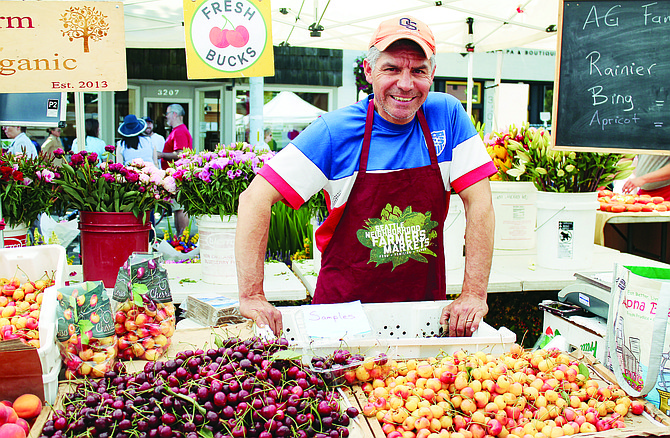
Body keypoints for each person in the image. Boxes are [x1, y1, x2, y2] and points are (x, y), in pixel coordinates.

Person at [235, 15, 496, 337]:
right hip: (341, 319)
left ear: (432, 74)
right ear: (369, 70)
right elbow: (254, 199)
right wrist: (252, 295)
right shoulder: (334, 132)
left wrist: (474, 293)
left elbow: (480, 202)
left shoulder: (448, 115)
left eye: (418, 71)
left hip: (423, 314)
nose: (405, 83)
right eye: (391, 69)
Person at [158, 104, 193, 236]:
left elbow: (180, 153)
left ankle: (183, 238)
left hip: (177, 175)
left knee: (180, 208)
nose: (166, 117)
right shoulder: (178, 131)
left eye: (167, 114)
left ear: (174, 114)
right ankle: (180, 238)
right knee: (177, 208)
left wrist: (160, 155)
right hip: (176, 175)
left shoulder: (179, 131)